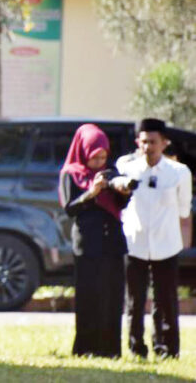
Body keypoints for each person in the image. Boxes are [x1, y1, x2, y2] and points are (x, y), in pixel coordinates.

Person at [117, 118, 192, 359]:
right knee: (135, 300)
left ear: (164, 143)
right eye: (144, 141)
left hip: (166, 243)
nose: (148, 147)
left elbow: (184, 210)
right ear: (138, 142)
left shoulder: (179, 173)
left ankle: (166, 348)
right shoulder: (128, 168)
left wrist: (184, 235)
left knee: (166, 300)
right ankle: (136, 347)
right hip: (135, 242)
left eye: (153, 142)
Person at [59, 123, 131, 358]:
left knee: (112, 296)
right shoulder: (71, 173)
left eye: (103, 156)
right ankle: (86, 348)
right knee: (89, 296)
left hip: (112, 240)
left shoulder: (110, 171)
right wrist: (92, 191)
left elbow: (119, 205)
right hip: (88, 242)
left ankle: (110, 349)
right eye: (95, 157)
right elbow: (70, 208)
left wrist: (123, 192)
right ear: (83, 152)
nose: (100, 162)